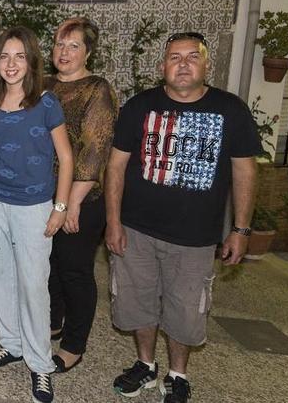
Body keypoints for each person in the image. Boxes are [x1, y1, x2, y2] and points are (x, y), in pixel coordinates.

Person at [106, 32, 260, 403]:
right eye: (175, 57)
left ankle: (177, 374)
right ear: (163, 67)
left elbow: (245, 172)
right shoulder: (139, 106)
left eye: (193, 57)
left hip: (194, 238)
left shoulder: (231, 111)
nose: (184, 64)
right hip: (136, 230)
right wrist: (112, 222)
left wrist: (240, 229)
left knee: (185, 312)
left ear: (207, 65)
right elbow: (115, 168)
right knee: (136, 303)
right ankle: (145, 365)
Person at [0, 27, 73, 403]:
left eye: (19, 56)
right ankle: (11, 344)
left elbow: (66, 157)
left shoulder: (45, 103)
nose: (10, 64)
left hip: (34, 207)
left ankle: (40, 364)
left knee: (32, 283)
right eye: (4, 57)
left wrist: (60, 208)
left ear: (30, 61)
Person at [44, 17, 118, 373]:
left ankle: (74, 345)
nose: (65, 52)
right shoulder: (42, 86)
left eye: (74, 46)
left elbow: (95, 148)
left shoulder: (96, 89)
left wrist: (71, 202)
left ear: (88, 52)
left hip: (82, 200)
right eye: (60, 44)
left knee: (74, 269)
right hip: (43, 192)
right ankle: (53, 322)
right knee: (50, 265)